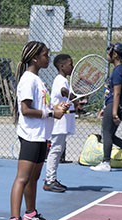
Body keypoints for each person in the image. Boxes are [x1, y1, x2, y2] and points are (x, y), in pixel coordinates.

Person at [6, 41, 69, 220]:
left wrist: (56, 110)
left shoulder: (38, 80)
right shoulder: (28, 80)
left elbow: (44, 107)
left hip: (42, 136)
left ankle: (30, 215)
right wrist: (50, 114)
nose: (48, 58)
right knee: (23, 178)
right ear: (35, 58)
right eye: (45, 55)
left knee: (33, 178)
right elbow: (26, 110)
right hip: (31, 136)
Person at [44, 54, 76, 192]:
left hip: (63, 121)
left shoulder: (63, 80)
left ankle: (52, 178)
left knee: (58, 150)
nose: (72, 67)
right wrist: (75, 96)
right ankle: (49, 180)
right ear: (62, 66)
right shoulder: (60, 80)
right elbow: (63, 92)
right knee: (55, 150)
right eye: (70, 64)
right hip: (59, 122)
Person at [91, 42, 122, 172]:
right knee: (110, 134)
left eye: (109, 52)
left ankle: (105, 162)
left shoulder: (118, 71)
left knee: (106, 133)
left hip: (115, 105)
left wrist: (114, 112)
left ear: (115, 54)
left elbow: (117, 93)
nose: (107, 54)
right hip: (114, 105)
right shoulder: (121, 70)